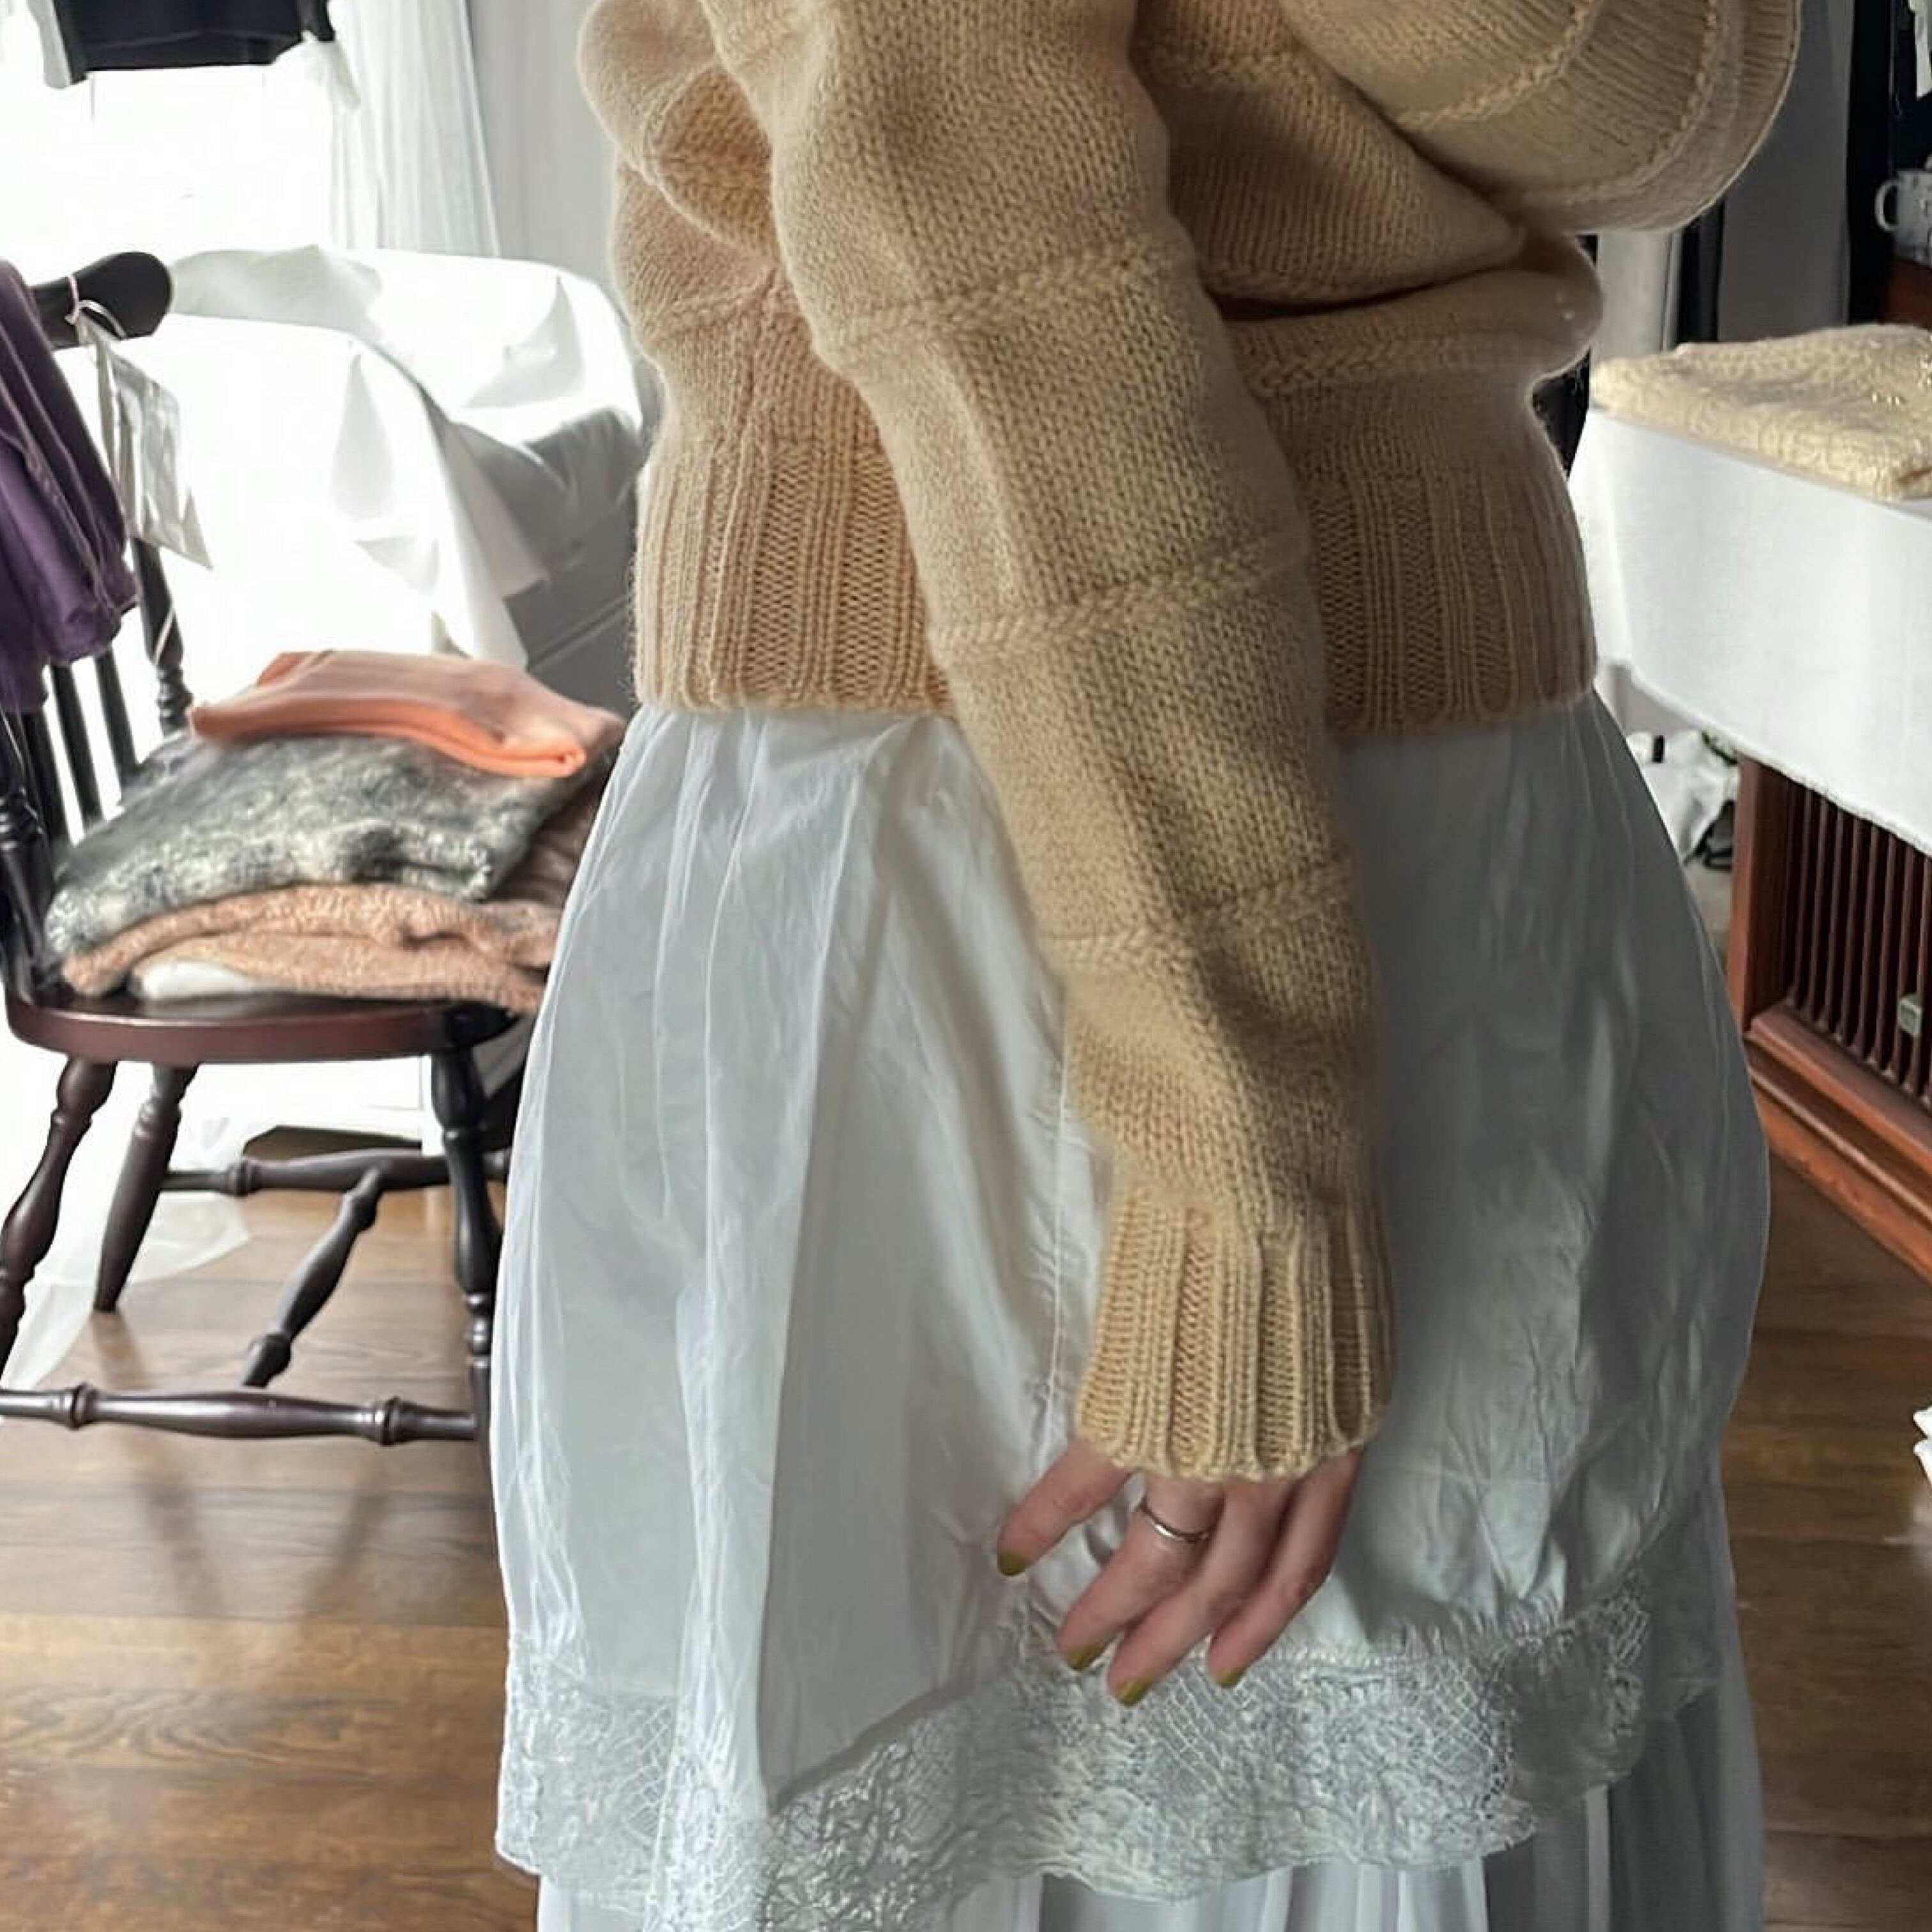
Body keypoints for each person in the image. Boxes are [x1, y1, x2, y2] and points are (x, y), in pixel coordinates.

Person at [490, 2, 1797, 1927]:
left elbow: (1667, 103)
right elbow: (974, 240)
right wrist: (1238, 1144)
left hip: (1463, 804)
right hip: (957, 818)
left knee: (1435, 1781)